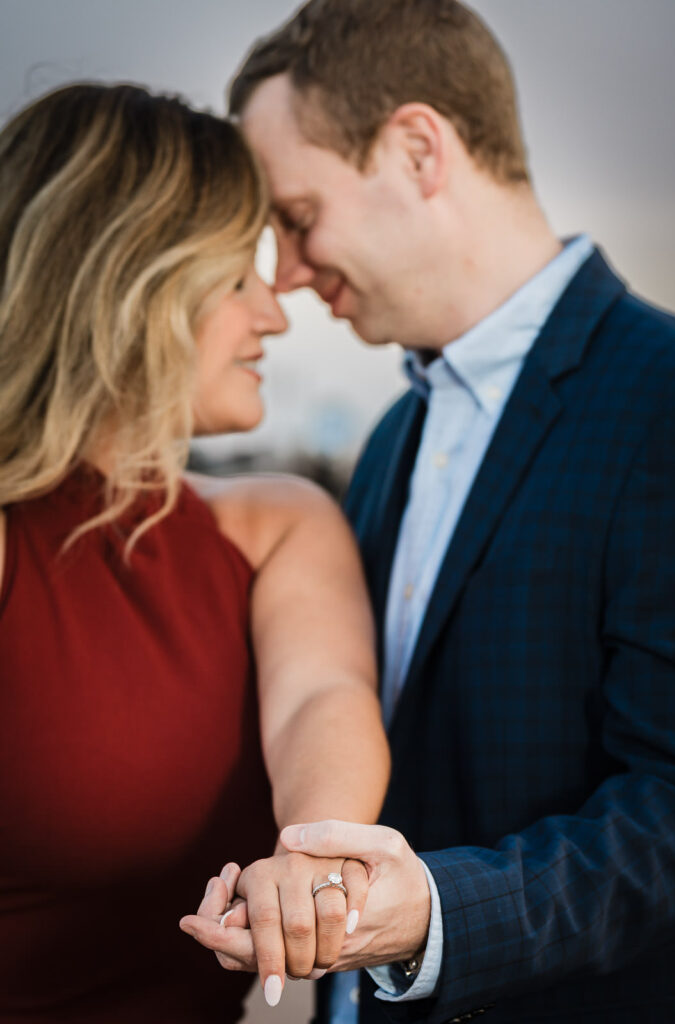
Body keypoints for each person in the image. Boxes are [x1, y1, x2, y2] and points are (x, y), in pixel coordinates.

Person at [185, 1, 675, 1021]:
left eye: (297, 214)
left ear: (416, 149)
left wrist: (436, 916)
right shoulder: (386, 446)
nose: (284, 269)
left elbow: (672, 809)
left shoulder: (664, 396)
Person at [0, 82, 391, 1024]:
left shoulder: (279, 521)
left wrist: (311, 856)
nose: (274, 315)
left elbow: (319, 699)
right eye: (236, 278)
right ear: (128, 279)